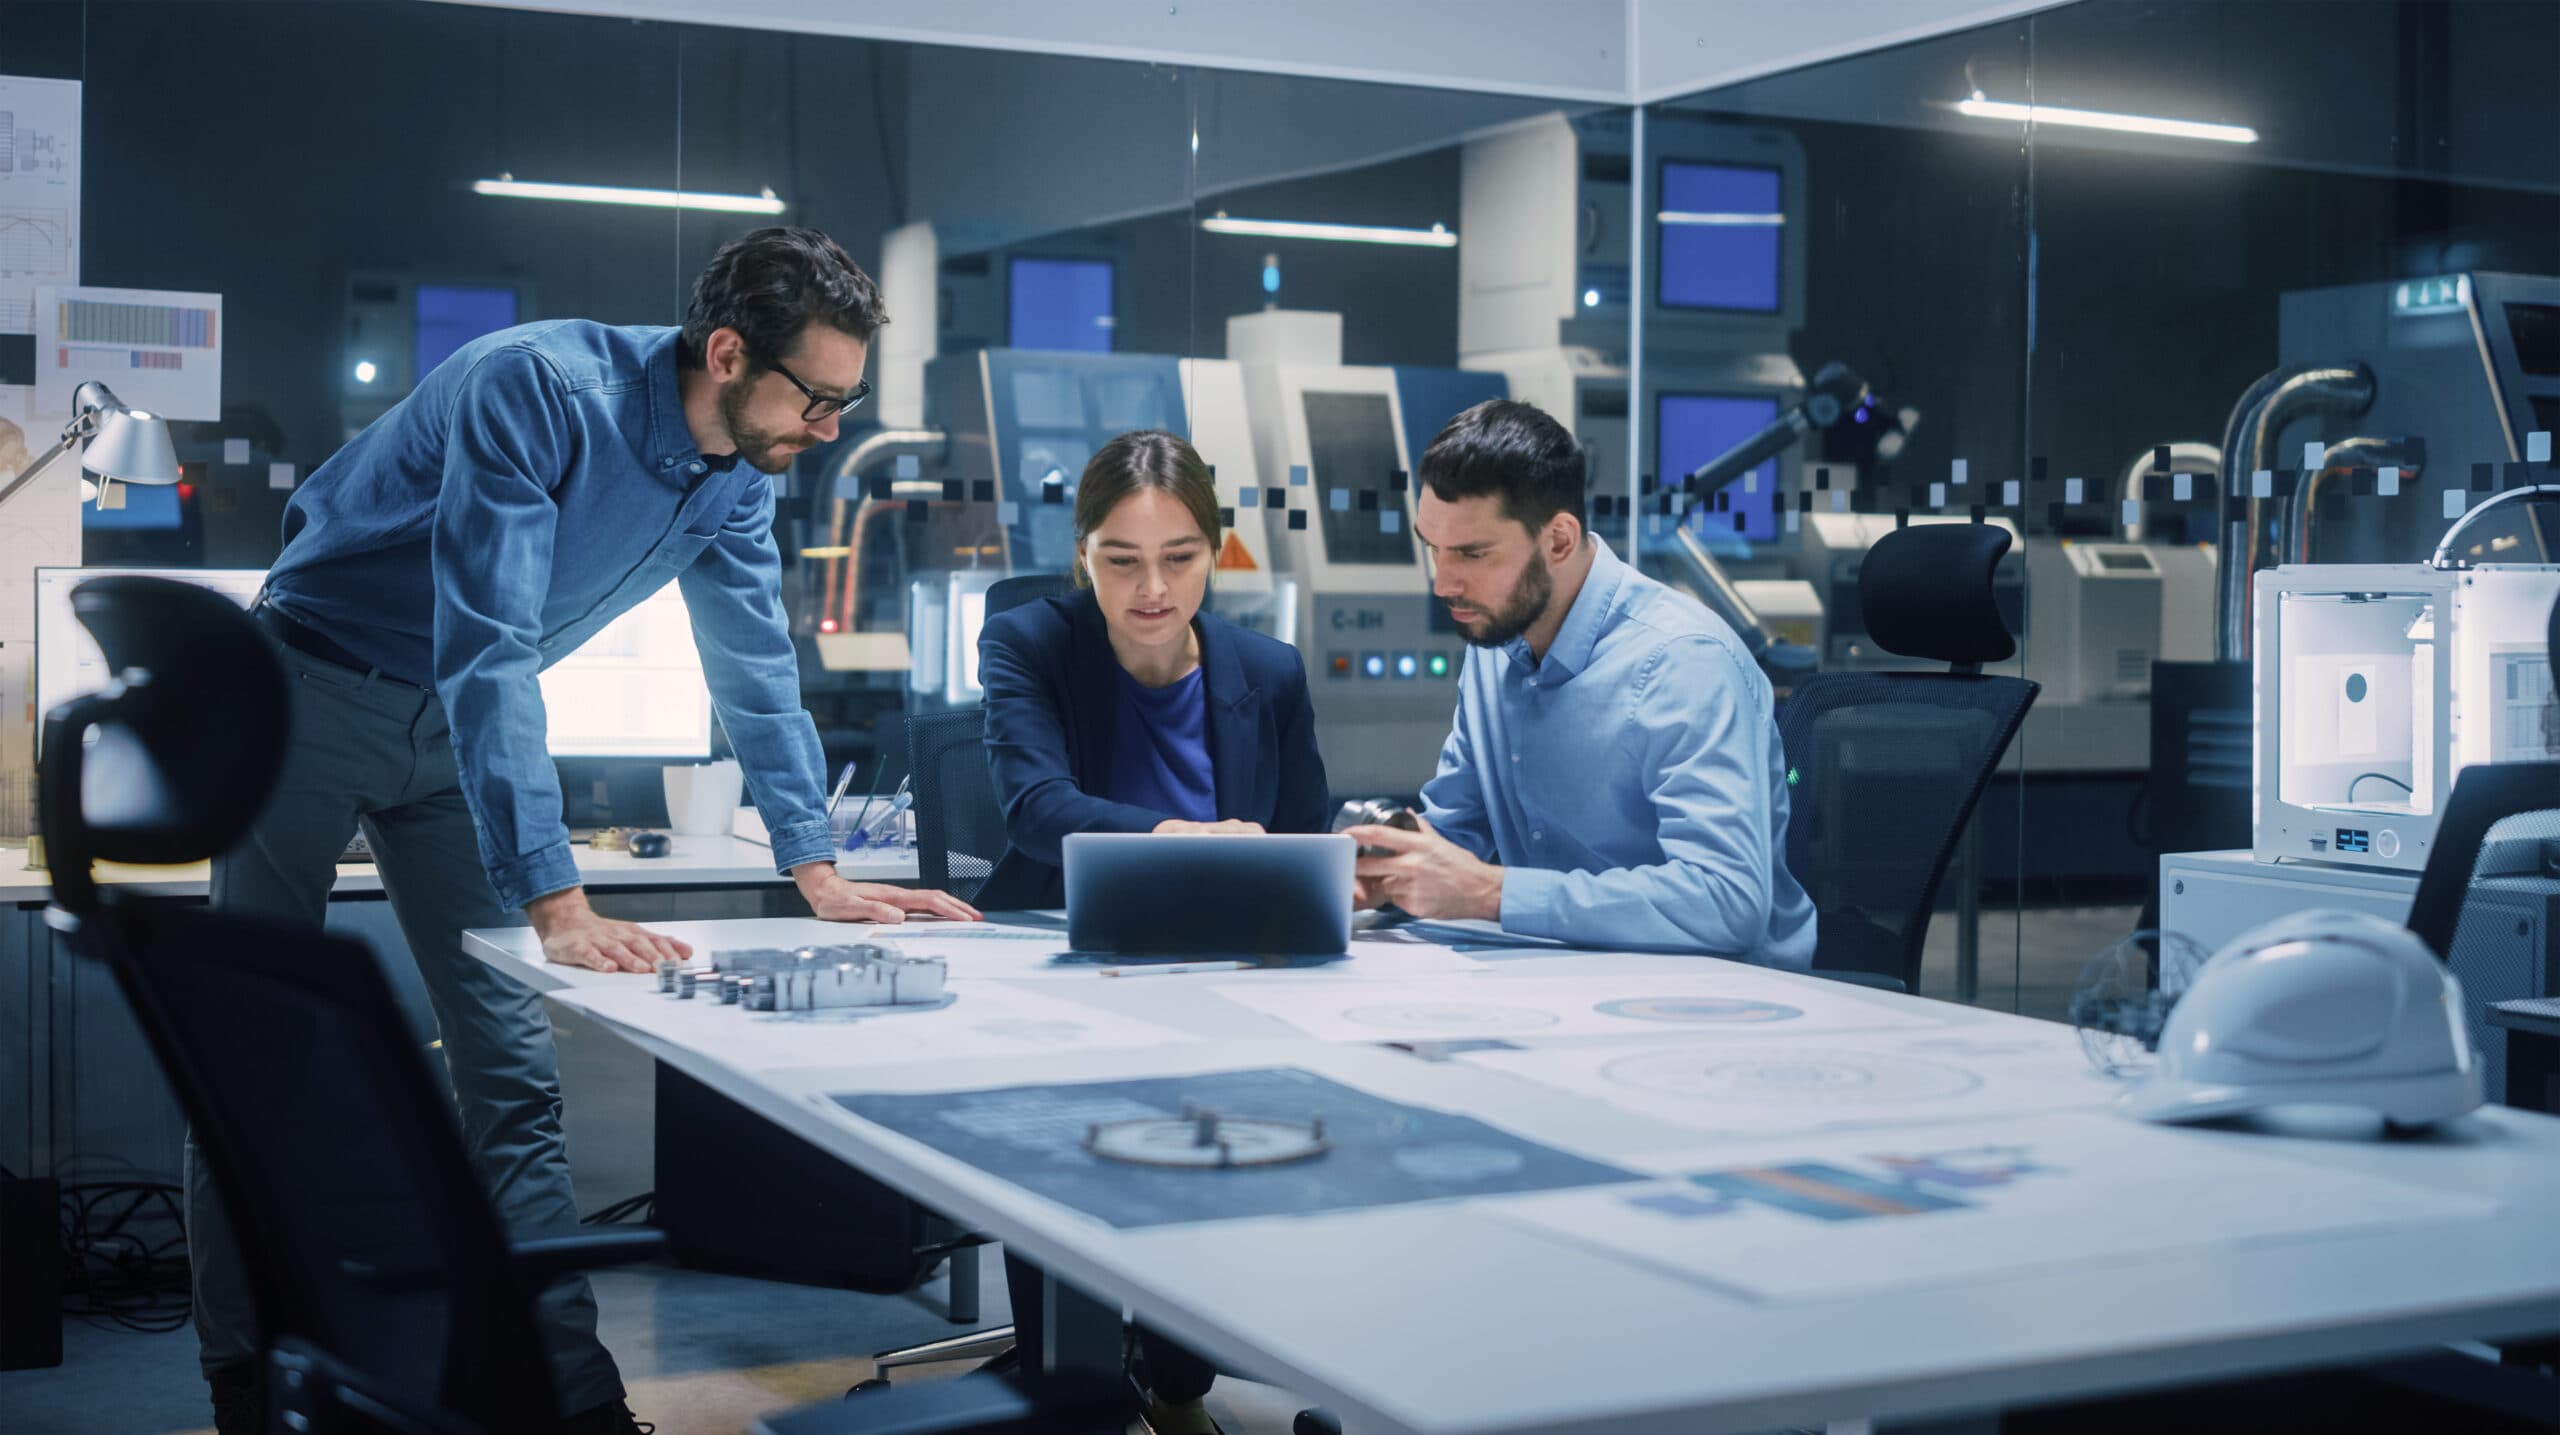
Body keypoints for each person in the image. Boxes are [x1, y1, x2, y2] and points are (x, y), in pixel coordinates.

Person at [194, 227, 979, 1435]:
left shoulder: (737, 475)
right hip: (305, 688)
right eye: (817, 398)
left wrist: (813, 864)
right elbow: (490, 646)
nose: (828, 430)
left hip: (451, 737)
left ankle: (568, 1402)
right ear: (727, 352)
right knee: (260, 1061)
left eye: (845, 402)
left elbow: (756, 669)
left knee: (514, 1077)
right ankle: (246, 1386)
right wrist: (554, 895)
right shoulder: (538, 391)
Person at [977, 427, 1328, 1434]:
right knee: (1056, 1146)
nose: (1150, 588)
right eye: (1120, 560)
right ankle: (1075, 1393)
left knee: (1220, 1140)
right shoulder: (1030, 642)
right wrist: (1185, 832)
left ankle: (1175, 1383)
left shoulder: (1269, 670)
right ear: (1081, 552)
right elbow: (1036, 806)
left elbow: (1303, 831)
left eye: (1179, 558)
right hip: (1064, 957)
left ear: (1214, 553)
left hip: (1217, 963)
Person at [1347, 397, 1816, 967]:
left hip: (1719, 997)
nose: (1443, 583)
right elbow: (1457, 832)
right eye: (1433, 549)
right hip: (1560, 974)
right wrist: (1387, 865)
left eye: (1472, 554)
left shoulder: (1683, 662)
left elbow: (1725, 902)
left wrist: (1490, 893)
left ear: (1560, 540)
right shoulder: (1497, 641)